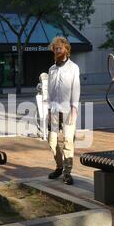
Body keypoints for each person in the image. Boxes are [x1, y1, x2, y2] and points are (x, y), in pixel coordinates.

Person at [46, 36, 80, 185]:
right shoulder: (51, 70)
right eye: (55, 48)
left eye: (60, 47)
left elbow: (76, 89)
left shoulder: (73, 67)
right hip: (53, 110)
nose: (57, 50)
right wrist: (48, 110)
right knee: (52, 141)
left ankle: (67, 173)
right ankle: (59, 166)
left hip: (68, 109)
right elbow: (50, 92)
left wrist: (74, 109)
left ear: (66, 49)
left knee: (68, 141)